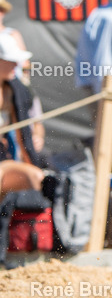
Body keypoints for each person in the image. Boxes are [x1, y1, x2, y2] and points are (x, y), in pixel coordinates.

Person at [0, 35, 47, 197]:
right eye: (11, 60)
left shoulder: (14, 90)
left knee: (36, 177)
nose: (17, 64)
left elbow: (24, 135)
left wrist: (34, 164)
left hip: (3, 161)